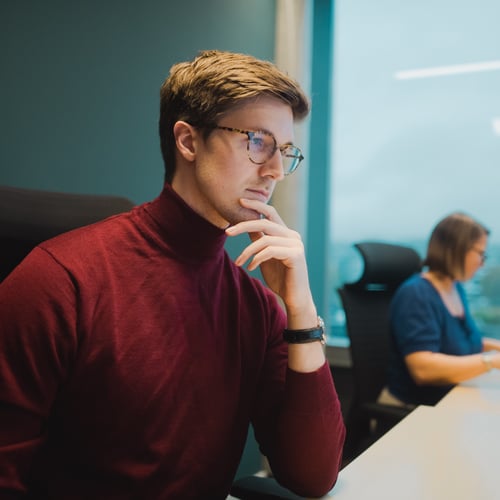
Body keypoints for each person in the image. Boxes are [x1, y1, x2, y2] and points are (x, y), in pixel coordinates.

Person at [0, 50, 345, 499]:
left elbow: (312, 477)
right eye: (258, 142)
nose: (276, 170)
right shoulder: (60, 279)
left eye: (285, 151)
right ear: (187, 141)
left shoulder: (255, 305)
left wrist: (300, 311)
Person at [382, 212, 500, 408]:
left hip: (448, 399)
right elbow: (423, 369)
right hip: (412, 410)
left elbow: (465, 343)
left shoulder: (455, 288)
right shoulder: (417, 294)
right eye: (480, 253)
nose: (482, 262)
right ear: (457, 250)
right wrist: (492, 361)